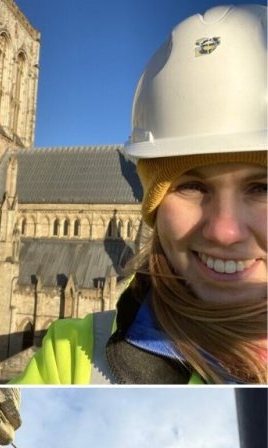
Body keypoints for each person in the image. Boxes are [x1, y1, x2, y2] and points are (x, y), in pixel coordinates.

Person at [15, 5, 266, 385]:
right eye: (191, 186)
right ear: (155, 203)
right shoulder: (73, 354)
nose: (224, 231)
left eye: (262, 187)